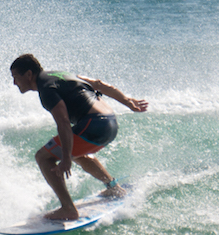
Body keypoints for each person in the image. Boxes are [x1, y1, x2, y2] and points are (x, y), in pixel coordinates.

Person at [10, 54, 148, 221]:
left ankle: (68, 209)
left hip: (94, 125)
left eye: (16, 77)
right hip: (110, 122)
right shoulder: (61, 75)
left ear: (29, 74)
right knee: (78, 152)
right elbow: (99, 84)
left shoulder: (46, 89)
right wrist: (127, 101)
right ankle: (113, 187)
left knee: (43, 157)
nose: (14, 83)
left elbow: (63, 122)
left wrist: (66, 158)